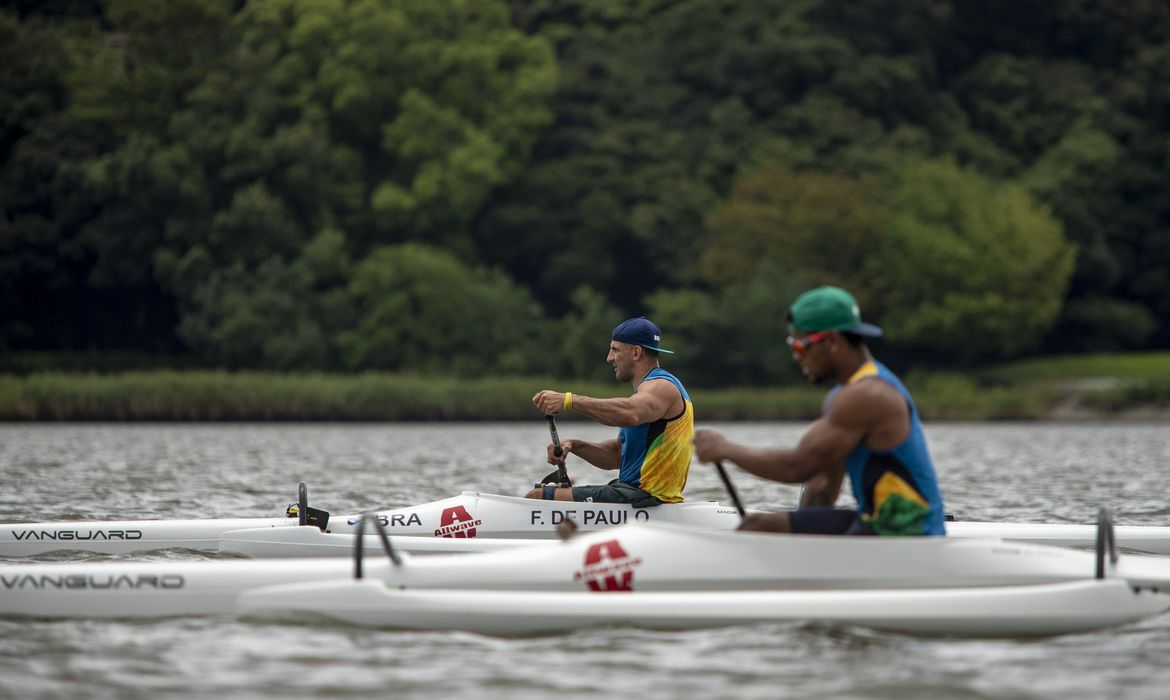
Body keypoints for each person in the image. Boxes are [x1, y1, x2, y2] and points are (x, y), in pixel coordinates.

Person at [693, 286, 946, 536]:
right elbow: (822, 483)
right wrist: (801, 538)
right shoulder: (842, 395)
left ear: (832, 341)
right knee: (758, 526)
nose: (796, 356)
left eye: (800, 346)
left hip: (908, 531)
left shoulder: (867, 395)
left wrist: (726, 448)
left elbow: (796, 467)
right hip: (874, 519)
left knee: (758, 527)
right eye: (792, 344)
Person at [529, 317, 694, 508]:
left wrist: (569, 400)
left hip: (645, 498)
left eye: (615, 350)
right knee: (547, 491)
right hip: (632, 494)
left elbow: (631, 414)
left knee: (538, 496)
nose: (609, 358)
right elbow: (616, 456)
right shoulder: (646, 392)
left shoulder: (662, 386)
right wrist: (574, 445)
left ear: (636, 352)